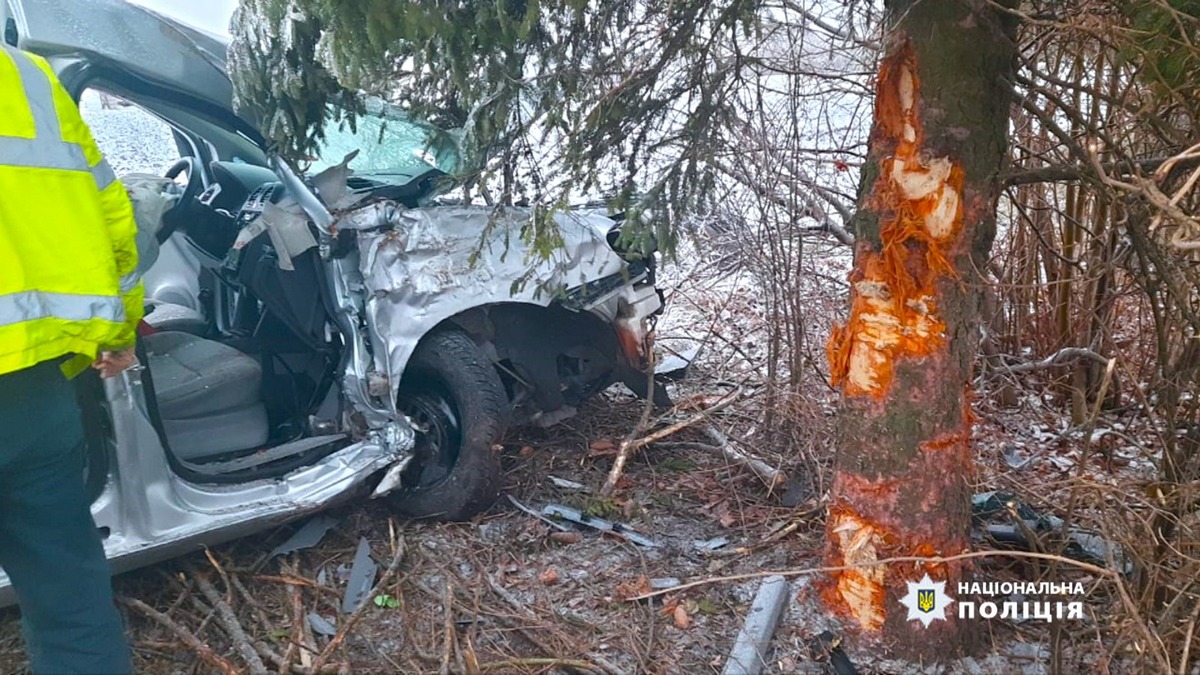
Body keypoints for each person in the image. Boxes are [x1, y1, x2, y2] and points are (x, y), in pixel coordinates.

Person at [0, 5, 142, 673]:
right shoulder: (27, 79)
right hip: (34, 400)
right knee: (70, 603)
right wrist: (117, 336)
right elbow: (114, 218)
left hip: (35, 392)